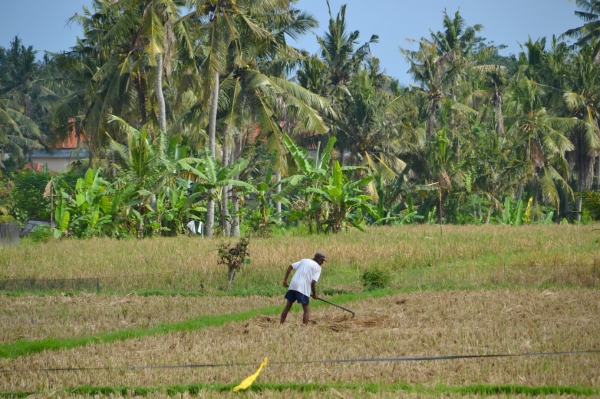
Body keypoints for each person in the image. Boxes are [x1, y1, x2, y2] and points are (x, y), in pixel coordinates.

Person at [280, 252, 326, 324]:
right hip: (302, 288)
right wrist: (314, 294)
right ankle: (305, 327)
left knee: (287, 306)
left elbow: (290, 266)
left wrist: (285, 280)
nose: (323, 262)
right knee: (306, 309)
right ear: (318, 259)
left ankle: (281, 324)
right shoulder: (318, 268)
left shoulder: (304, 260)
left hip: (293, 285)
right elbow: (313, 282)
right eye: (322, 260)